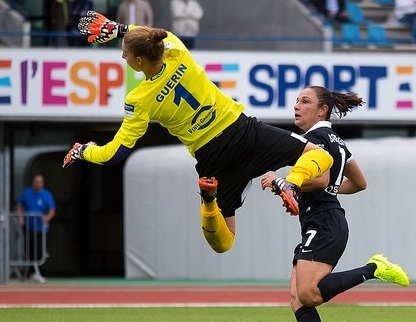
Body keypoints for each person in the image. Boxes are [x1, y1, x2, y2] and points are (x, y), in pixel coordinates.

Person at [64, 11, 334, 254]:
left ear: (138, 60)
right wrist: (119, 29)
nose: (122, 56)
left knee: (223, 243)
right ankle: (292, 183)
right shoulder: (176, 49)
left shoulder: (138, 99)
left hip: (212, 158)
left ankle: (208, 200)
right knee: (321, 157)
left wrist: (83, 151)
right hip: (242, 132)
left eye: (124, 53)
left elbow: (115, 153)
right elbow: (152, 35)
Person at [261, 86, 410, 322]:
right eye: (296, 101)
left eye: (305, 101)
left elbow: (321, 178)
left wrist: (284, 183)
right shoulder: (337, 141)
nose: (297, 106)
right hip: (324, 219)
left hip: (324, 222)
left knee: (309, 293)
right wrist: (327, 189)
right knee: (296, 296)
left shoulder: (314, 139)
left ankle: (373, 268)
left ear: (322, 110)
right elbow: (358, 183)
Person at [16, 174, 56, 283]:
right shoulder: (27, 193)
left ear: (42, 183)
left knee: (39, 251)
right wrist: (20, 217)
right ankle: (30, 273)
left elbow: (52, 210)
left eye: (40, 181)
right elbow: (19, 205)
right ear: (33, 182)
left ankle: (38, 273)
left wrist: (47, 218)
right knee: (29, 250)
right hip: (29, 227)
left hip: (41, 229)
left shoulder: (46, 195)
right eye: (36, 181)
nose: (37, 183)